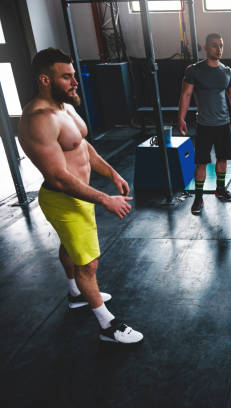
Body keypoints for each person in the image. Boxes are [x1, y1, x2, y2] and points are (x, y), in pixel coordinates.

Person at [18, 48, 143, 344]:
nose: (75, 82)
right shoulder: (38, 119)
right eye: (67, 77)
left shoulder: (66, 108)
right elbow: (59, 178)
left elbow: (84, 148)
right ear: (44, 79)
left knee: (72, 248)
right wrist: (104, 198)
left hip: (79, 196)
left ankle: (76, 294)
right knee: (89, 264)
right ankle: (107, 326)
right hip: (64, 199)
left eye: (74, 75)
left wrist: (112, 173)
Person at [177, 32, 231, 215]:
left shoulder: (226, 71)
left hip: (223, 123)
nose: (219, 49)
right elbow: (185, 94)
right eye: (215, 45)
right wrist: (181, 118)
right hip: (204, 124)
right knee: (201, 162)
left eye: (221, 45)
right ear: (206, 47)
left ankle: (220, 189)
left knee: (222, 159)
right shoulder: (194, 70)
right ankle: (199, 197)